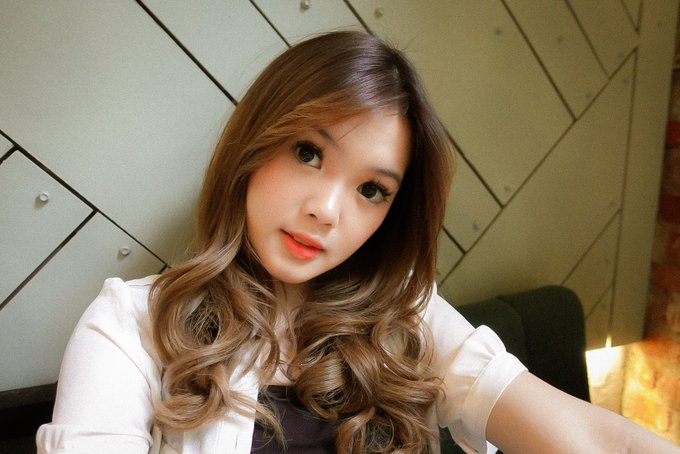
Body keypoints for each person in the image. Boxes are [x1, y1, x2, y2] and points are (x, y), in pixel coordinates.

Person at [36, 31, 678, 454]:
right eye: (308, 153)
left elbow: (594, 438)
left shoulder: (408, 317)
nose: (326, 210)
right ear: (254, 143)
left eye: (372, 189)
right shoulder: (130, 328)